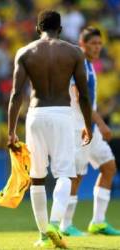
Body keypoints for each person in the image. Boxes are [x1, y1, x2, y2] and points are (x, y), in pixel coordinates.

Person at [7, 10, 92, 249]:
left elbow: (15, 96)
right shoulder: (74, 52)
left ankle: (44, 235)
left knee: (36, 176)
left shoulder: (25, 52)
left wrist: (11, 131)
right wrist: (87, 124)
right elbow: (84, 95)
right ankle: (55, 223)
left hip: (36, 115)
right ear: (61, 29)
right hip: (63, 115)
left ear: (37, 29)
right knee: (65, 174)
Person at [60, 27, 120, 236]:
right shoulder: (78, 66)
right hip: (79, 128)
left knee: (109, 166)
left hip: (90, 128)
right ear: (82, 44)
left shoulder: (90, 66)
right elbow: (80, 100)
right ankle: (65, 225)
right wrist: (102, 124)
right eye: (92, 43)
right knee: (76, 176)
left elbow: (89, 102)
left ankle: (98, 221)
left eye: (99, 43)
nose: (97, 47)